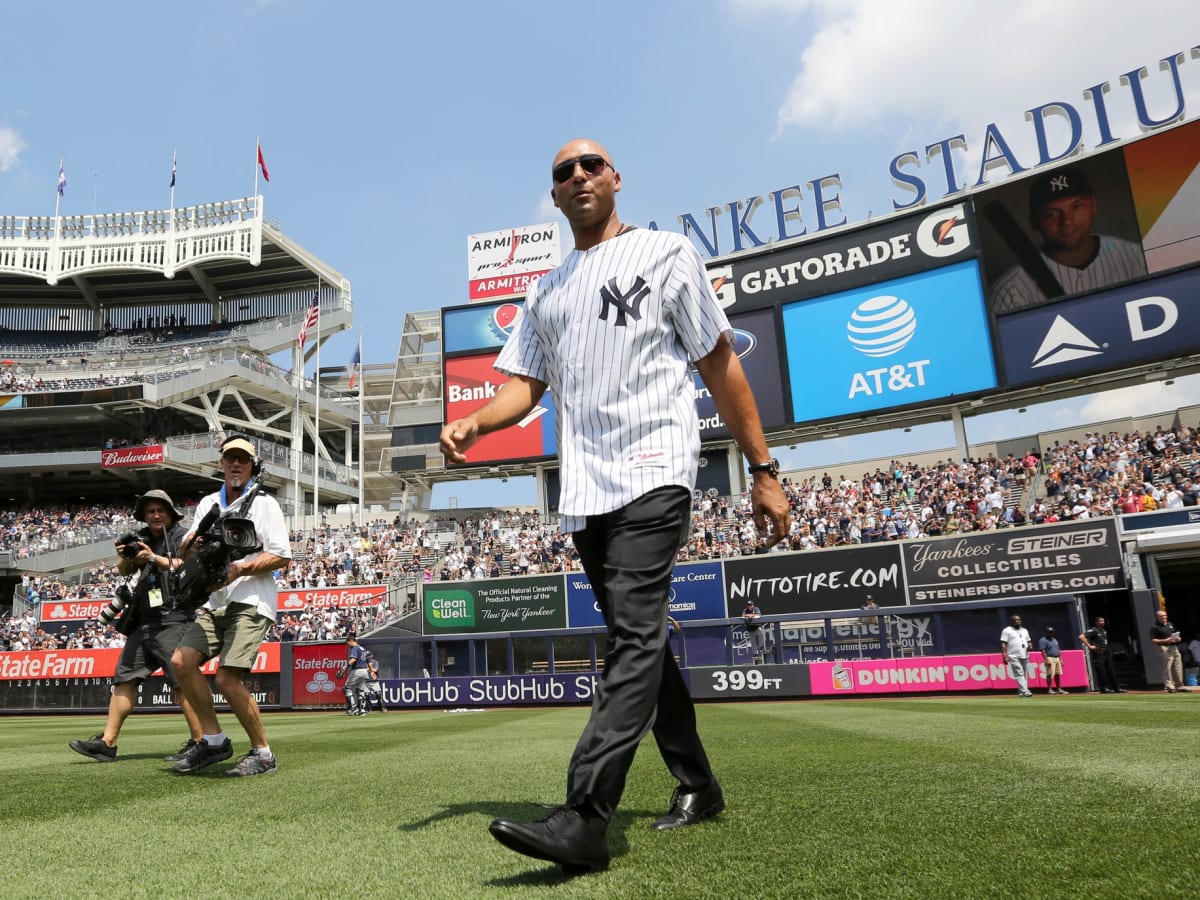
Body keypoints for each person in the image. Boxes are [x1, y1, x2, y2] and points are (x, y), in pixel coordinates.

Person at [440, 138, 789, 875]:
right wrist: (477, 421)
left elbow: (720, 364)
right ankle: (700, 785)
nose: (577, 176)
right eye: (563, 172)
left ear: (615, 178)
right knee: (646, 643)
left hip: (657, 467)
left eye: (589, 165)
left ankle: (585, 816)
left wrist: (763, 469)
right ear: (556, 196)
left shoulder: (666, 254)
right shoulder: (547, 289)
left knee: (631, 640)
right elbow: (525, 388)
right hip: (587, 485)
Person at [168, 435, 291, 776]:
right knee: (181, 662)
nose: (236, 464)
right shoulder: (209, 502)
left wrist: (240, 566)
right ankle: (214, 741)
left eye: (243, 459)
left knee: (226, 678)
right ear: (221, 463)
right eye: (230, 458)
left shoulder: (265, 503)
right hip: (214, 600)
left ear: (253, 466)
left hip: (251, 598)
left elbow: (282, 555)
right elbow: (185, 551)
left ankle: (263, 754)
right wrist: (193, 543)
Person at [69, 490, 204, 762]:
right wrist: (127, 555)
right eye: (150, 511)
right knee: (125, 679)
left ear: (170, 513)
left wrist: (153, 558)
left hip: (173, 618)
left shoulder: (182, 536)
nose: (155, 515)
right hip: (142, 619)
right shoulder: (139, 537)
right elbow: (122, 571)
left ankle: (201, 741)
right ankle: (107, 743)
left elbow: (188, 565)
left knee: (181, 682)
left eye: (160, 510)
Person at [991, 164, 1147, 314]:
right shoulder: (1010, 292)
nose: (1067, 221)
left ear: (1093, 205)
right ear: (1034, 222)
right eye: (1051, 214)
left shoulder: (1139, 258)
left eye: (1076, 206)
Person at [1079, 616, 1126, 694]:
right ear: (1097, 622)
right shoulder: (1093, 630)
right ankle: (1103, 688)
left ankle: (1116, 687)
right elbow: (1081, 637)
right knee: (1101, 671)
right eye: (1101, 621)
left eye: (1103, 621)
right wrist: (1090, 646)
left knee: (1111, 670)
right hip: (1098, 652)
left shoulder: (1103, 631)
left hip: (1107, 651)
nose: (1103, 622)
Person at [1149, 608, 1184, 693]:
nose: (1164, 617)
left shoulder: (1170, 624)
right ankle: (1170, 686)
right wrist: (1166, 640)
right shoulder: (1154, 627)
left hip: (1174, 647)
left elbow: (1176, 634)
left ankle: (1179, 685)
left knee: (1178, 665)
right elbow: (1153, 640)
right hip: (1164, 647)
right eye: (1161, 616)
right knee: (1167, 667)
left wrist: (1178, 639)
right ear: (1157, 617)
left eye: (1165, 615)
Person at [1000, 614, 1033, 697]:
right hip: (1013, 655)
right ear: (1012, 621)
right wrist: (1005, 655)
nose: (1018, 621)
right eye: (1016, 620)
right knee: (1019, 672)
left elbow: (1029, 640)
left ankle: (1021, 692)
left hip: (1024, 654)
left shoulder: (1025, 630)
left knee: (1024, 673)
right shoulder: (1007, 630)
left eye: (1019, 620)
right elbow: (1003, 643)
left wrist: (1030, 646)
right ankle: (1025, 691)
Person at [342, 634, 370, 715]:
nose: (348, 646)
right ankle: (362, 711)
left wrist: (345, 667)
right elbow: (367, 660)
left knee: (346, 688)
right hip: (365, 671)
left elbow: (353, 659)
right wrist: (370, 670)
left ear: (351, 641)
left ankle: (354, 708)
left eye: (348, 644)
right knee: (360, 690)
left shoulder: (355, 648)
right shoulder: (362, 648)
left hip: (357, 671)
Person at [1038, 626, 1065, 695]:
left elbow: (1058, 650)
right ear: (1046, 633)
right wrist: (1046, 660)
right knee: (1049, 674)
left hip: (1057, 658)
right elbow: (1043, 650)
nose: (1051, 633)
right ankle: (1049, 689)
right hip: (1049, 657)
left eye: (1052, 632)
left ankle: (1058, 689)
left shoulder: (1054, 639)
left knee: (1057, 674)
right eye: (1049, 632)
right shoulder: (1043, 640)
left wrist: (1061, 659)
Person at [742, 599, 767, 664]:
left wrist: (750, 615)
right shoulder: (745, 610)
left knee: (761, 632)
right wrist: (749, 615)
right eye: (749, 605)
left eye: (751, 605)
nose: (750, 606)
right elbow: (743, 616)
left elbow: (758, 615)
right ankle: (755, 653)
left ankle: (762, 646)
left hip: (757, 626)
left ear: (753, 605)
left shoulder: (756, 609)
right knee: (752, 641)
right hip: (750, 627)